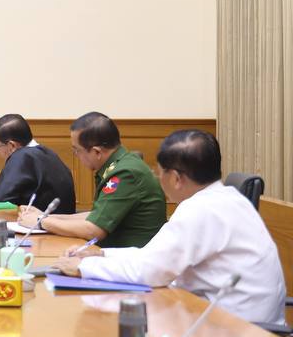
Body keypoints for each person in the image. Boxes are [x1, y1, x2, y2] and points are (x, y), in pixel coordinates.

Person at [54, 130, 285, 325]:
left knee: (119, 325)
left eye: (159, 172)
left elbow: (149, 271)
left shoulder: (200, 210)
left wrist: (84, 268)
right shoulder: (226, 198)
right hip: (235, 321)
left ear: (175, 178)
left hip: (234, 330)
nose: (158, 178)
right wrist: (102, 254)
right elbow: (154, 257)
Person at [18, 111, 165, 248]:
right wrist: (44, 216)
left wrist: (40, 222)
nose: (76, 155)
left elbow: (94, 230)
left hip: (130, 259)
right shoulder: (118, 165)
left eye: (76, 150)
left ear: (97, 152)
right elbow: (96, 216)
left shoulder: (125, 174)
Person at [0, 114, 76, 212]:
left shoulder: (22, 155)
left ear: (12, 145)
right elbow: (21, 185)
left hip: (45, 221)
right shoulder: (45, 152)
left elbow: (2, 196)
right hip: (60, 218)